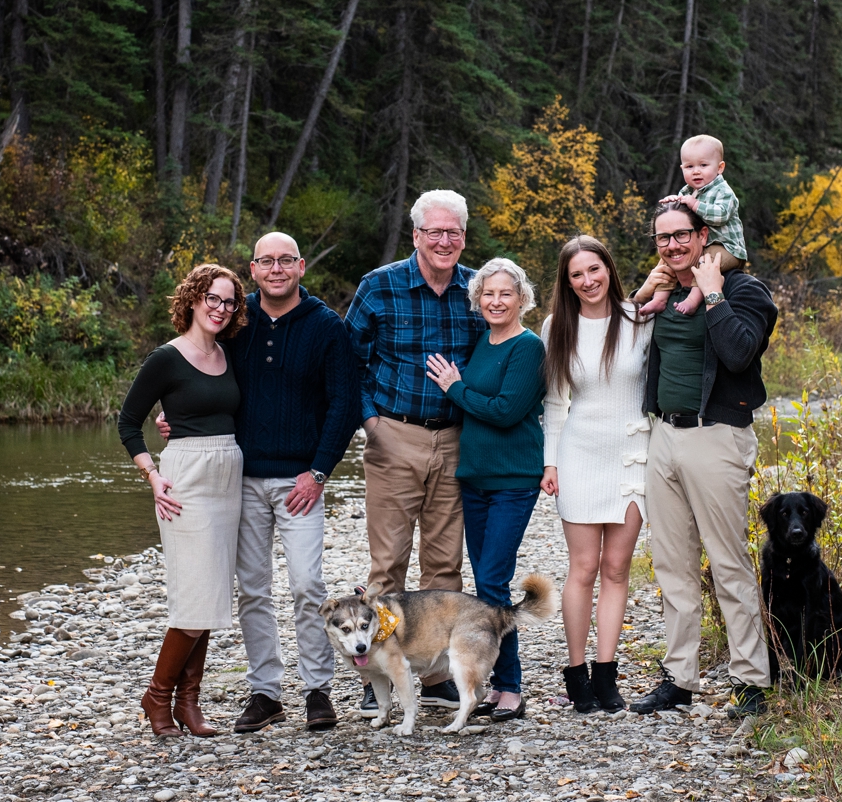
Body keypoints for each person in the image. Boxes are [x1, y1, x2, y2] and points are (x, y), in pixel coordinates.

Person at [154, 233, 358, 734]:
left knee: (309, 584)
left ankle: (317, 689)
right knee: (253, 590)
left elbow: (344, 406)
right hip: (239, 479)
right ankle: (266, 692)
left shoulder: (327, 327)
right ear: (253, 268)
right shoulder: (235, 319)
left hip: (300, 480)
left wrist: (319, 472)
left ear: (301, 267)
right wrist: (176, 415)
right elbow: (197, 367)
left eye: (285, 260)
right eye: (266, 261)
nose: (276, 269)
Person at [630, 199, 778, 718]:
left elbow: (740, 353)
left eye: (681, 235)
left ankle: (751, 681)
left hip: (717, 436)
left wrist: (713, 294)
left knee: (728, 562)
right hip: (663, 438)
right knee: (672, 564)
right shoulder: (665, 292)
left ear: (703, 235)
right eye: (662, 238)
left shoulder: (743, 290)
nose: (672, 245)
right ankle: (680, 677)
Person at [345, 189, 489, 716]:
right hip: (394, 435)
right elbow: (348, 361)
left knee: (444, 565)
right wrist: (369, 423)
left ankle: (431, 677)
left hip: (455, 437)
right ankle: (378, 672)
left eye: (454, 232)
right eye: (435, 232)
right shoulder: (379, 287)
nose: (445, 241)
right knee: (388, 566)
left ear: (464, 237)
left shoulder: (477, 290)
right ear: (416, 236)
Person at [118, 263, 249, 737]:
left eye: (229, 302)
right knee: (194, 595)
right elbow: (128, 423)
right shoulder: (166, 359)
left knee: (212, 593)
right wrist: (151, 475)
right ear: (193, 299)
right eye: (212, 298)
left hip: (227, 476)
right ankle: (157, 696)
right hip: (185, 479)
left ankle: (188, 704)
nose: (220, 308)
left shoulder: (230, 353)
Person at [424, 257, 547, 720]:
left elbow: (504, 411)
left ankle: (510, 689)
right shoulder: (482, 341)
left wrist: (454, 388)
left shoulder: (527, 347)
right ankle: (499, 685)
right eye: (488, 294)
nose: (496, 301)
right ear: (478, 301)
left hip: (513, 479)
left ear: (521, 299)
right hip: (474, 478)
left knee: (492, 578)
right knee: (485, 582)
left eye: (505, 294)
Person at [540, 235, 650, 714]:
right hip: (580, 453)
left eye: (594, 269)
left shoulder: (640, 318)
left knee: (616, 569)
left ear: (609, 268)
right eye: (576, 275)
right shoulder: (555, 326)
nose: (588, 281)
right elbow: (555, 402)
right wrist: (551, 462)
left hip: (632, 454)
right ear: (567, 283)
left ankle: (608, 675)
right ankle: (576, 672)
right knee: (583, 568)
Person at [635, 134, 747, 316]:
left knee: (705, 263)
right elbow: (681, 213)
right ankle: (659, 299)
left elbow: (721, 215)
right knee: (664, 261)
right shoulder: (687, 191)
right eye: (689, 166)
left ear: (720, 168)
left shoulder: (723, 191)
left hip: (728, 248)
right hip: (704, 246)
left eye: (703, 165)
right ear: (682, 168)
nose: (696, 171)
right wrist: (674, 201)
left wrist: (695, 205)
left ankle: (693, 300)